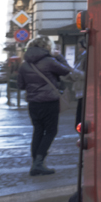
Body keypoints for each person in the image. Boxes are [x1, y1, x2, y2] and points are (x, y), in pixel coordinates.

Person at [17, 36, 73, 176]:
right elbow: (67, 70)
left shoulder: (24, 64)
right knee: (50, 131)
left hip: (33, 103)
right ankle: (38, 163)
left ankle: (36, 163)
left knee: (38, 131)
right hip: (49, 102)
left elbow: (21, 85)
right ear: (47, 46)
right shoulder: (49, 61)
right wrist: (59, 56)